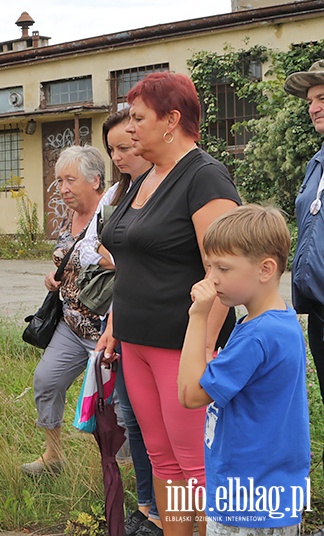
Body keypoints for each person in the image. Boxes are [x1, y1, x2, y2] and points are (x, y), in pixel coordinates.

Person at [99, 72, 241, 536]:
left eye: (139, 118)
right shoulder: (144, 178)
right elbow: (131, 263)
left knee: (195, 463)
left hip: (183, 348)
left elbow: (223, 273)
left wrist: (199, 350)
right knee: (161, 457)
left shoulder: (204, 177)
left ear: (172, 120)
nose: (130, 127)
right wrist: (116, 324)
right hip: (137, 342)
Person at [178, 205, 309, 536]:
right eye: (209, 267)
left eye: (223, 268)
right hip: (271, 493)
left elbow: (189, 394)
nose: (212, 279)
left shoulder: (258, 335)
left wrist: (198, 317)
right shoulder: (274, 320)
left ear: (265, 269)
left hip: (247, 500)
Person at [21, 145, 107, 475]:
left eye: (70, 180)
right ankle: (53, 455)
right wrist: (51, 276)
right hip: (70, 325)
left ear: (95, 180)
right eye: (59, 181)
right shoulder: (68, 216)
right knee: (46, 381)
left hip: (105, 329)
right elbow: (65, 258)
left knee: (113, 404)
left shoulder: (111, 216)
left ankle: (122, 464)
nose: (63, 189)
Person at [95, 110, 161, 536]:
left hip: (163, 328)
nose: (119, 156)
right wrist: (114, 325)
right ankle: (147, 505)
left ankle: (167, 512)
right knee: (132, 418)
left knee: (165, 430)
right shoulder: (121, 194)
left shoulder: (170, 189)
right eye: (113, 149)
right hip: (127, 321)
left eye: (126, 146)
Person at [283, 60, 324, 404]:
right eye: (310, 100)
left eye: (322, 97)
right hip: (319, 311)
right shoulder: (317, 163)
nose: (313, 108)